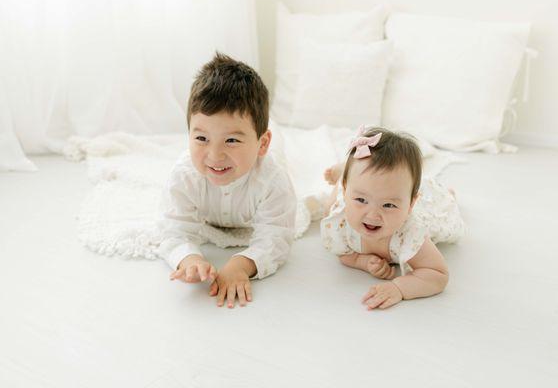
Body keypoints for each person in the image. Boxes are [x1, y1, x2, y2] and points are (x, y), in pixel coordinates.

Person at [158, 53, 296, 308]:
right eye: (201, 139)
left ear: (262, 143)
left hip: (268, 158)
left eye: (231, 140)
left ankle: (275, 134)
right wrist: (189, 259)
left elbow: (276, 237)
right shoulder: (184, 176)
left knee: (284, 153)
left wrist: (240, 265)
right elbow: (173, 231)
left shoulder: (273, 181)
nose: (214, 155)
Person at [321, 126, 464, 310]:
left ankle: (447, 194)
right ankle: (344, 174)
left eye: (388, 205)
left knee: (444, 200)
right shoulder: (341, 220)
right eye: (361, 200)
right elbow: (343, 253)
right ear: (346, 190)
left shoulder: (411, 234)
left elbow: (437, 274)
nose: (372, 215)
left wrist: (399, 288)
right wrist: (362, 262)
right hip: (369, 190)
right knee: (327, 209)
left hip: (430, 206)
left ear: (411, 204)